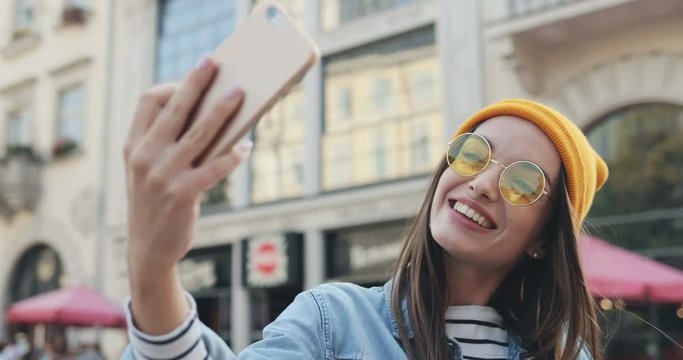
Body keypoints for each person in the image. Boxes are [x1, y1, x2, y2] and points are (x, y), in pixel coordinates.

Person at [121, 58, 607, 359]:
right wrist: (153, 268)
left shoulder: (568, 354)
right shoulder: (332, 322)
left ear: (545, 237)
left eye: (523, 181)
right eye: (473, 152)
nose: (481, 184)